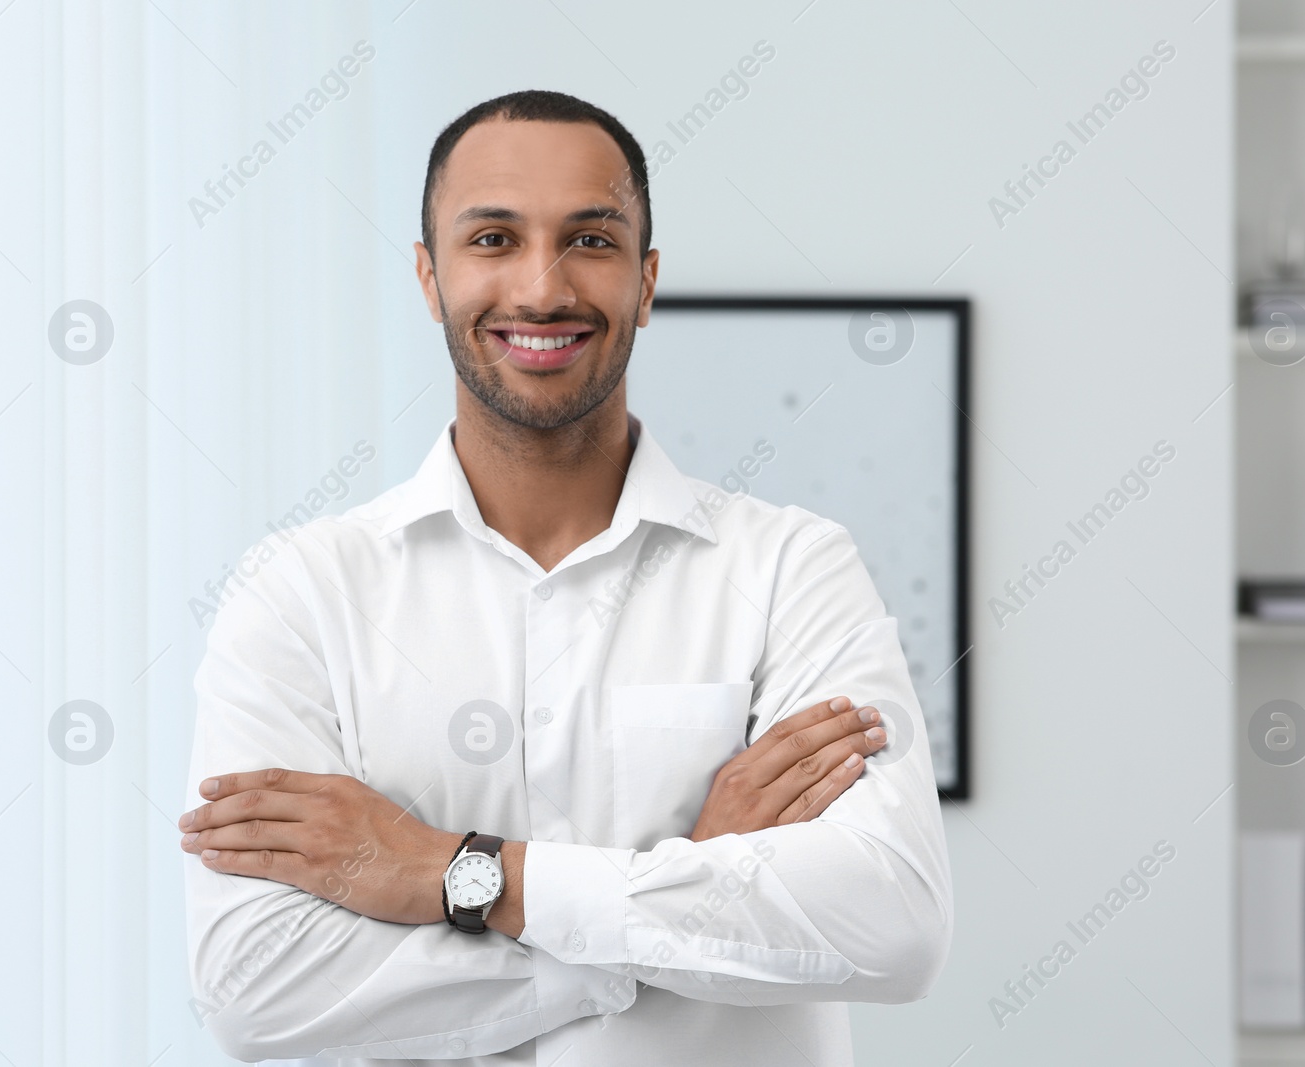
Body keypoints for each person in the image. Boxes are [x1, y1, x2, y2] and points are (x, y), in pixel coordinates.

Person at [179, 89, 951, 1066]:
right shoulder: (300, 590)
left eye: (589, 239)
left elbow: (891, 922)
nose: (541, 288)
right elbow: (257, 989)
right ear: (428, 275)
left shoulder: (792, 567)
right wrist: (684, 886)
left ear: (646, 278)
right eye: (493, 239)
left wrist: (453, 874)